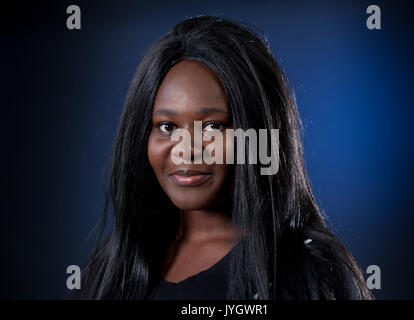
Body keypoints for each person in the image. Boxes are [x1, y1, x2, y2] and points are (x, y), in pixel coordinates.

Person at [78, 15, 373, 300]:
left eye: (213, 126)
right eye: (167, 127)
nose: (186, 148)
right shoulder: (113, 267)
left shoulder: (310, 270)